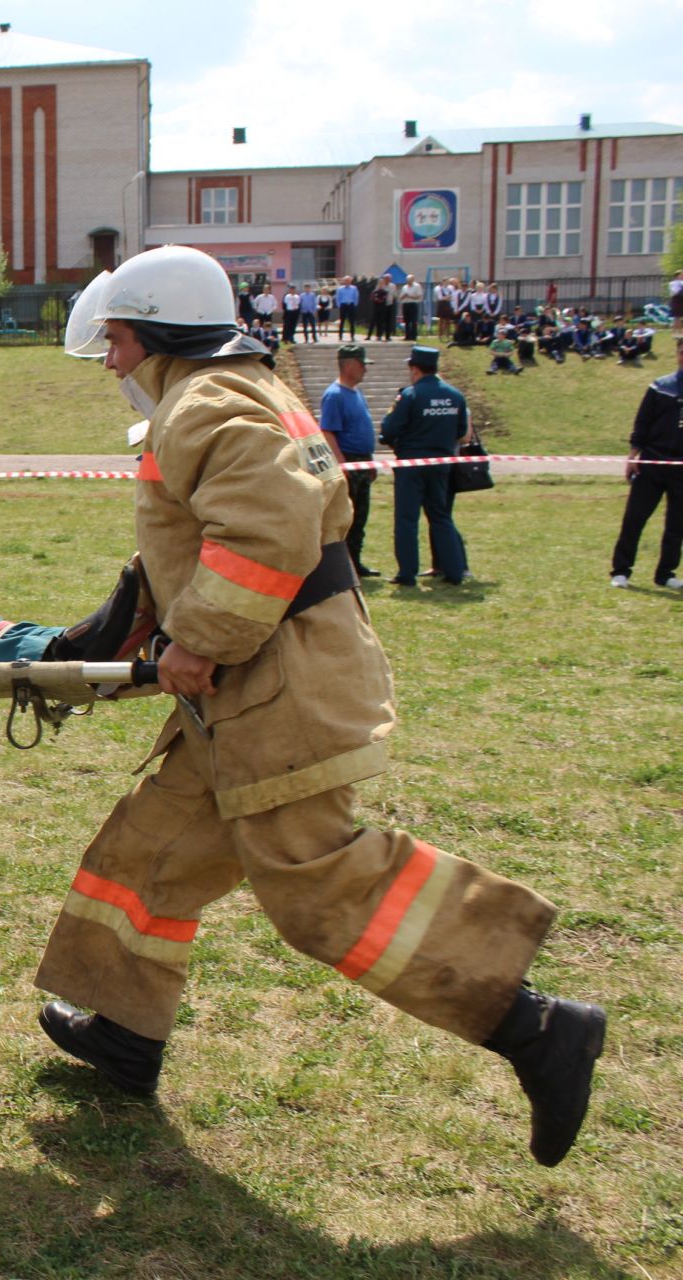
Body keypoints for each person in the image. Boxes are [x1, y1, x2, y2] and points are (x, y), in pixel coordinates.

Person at [41, 244, 606, 1169]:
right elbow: (212, 531)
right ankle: (126, 1031)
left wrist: (195, 642)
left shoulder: (208, 401)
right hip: (264, 679)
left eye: (116, 341)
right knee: (158, 847)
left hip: (280, 686)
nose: (109, 360)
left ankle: (535, 1025)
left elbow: (266, 533)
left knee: (315, 886)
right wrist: (134, 615)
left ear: (154, 332)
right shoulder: (241, 391)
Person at [379, 346, 470, 586]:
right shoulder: (455, 395)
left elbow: (388, 430)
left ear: (414, 368)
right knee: (441, 516)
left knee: (407, 519)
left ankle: (407, 573)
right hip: (441, 463)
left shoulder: (410, 395)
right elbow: (462, 432)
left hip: (411, 464)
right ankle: (454, 571)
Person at [609, 341, 683, 590]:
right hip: (651, 463)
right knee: (634, 519)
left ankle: (666, 573)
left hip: (681, 469)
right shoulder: (661, 386)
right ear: (677, 355)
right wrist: (633, 455)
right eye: (682, 352)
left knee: (677, 524)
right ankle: (621, 571)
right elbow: (643, 421)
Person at [319, 344, 380, 576]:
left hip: (362, 462)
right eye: (362, 364)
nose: (365, 369)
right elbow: (327, 432)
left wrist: (371, 461)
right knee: (347, 516)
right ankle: (343, 565)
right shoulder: (334, 395)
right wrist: (342, 464)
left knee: (361, 515)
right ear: (349, 364)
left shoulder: (356, 393)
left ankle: (355, 561)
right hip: (349, 462)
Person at [369, 276, 396, 341]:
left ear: (390, 279)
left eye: (388, 279)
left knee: (388, 321)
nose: (387, 280)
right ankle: (379, 335)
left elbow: (394, 295)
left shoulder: (392, 286)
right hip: (381, 305)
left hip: (389, 304)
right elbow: (375, 294)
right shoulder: (380, 285)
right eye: (386, 279)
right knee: (379, 321)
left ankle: (388, 336)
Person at [399, 277, 425, 342]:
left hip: (413, 304)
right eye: (407, 280)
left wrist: (410, 296)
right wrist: (403, 296)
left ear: (413, 280)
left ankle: (413, 336)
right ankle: (407, 336)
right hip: (405, 304)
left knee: (413, 321)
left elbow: (419, 296)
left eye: (410, 280)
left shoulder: (417, 286)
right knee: (406, 321)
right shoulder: (404, 287)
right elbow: (400, 297)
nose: (408, 281)